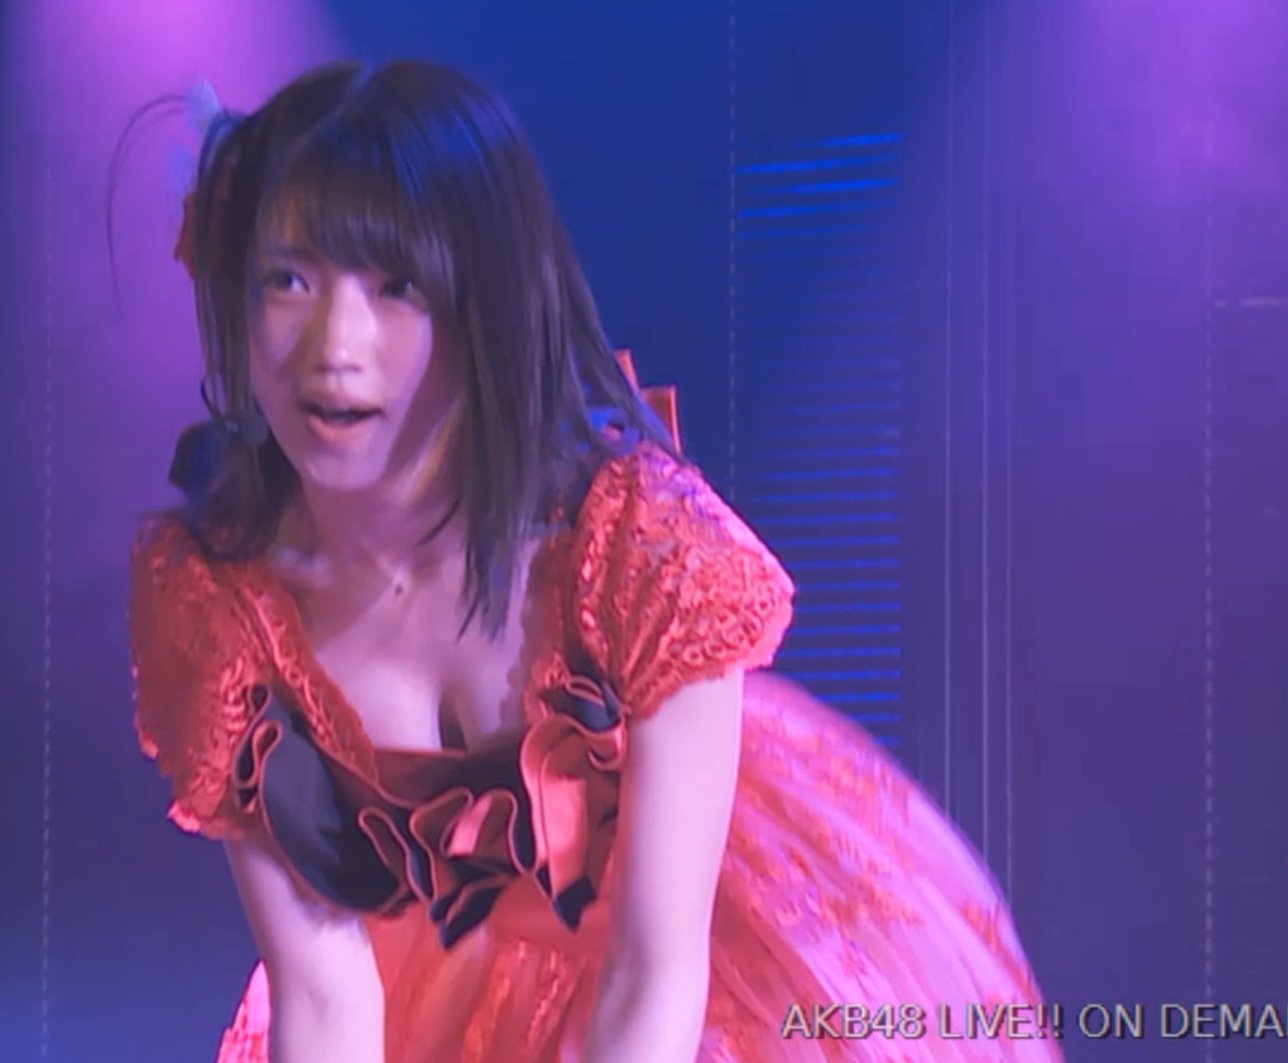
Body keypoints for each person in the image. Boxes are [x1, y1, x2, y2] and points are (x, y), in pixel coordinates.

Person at [126, 59, 1062, 1063]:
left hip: (699, 952)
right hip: (445, 977)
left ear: (487, 306)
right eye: (289, 278)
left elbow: (654, 969)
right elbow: (323, 991)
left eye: (398, 285)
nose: (332, 343)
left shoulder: (642, 552)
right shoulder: (223, 603)